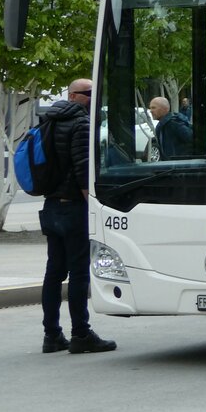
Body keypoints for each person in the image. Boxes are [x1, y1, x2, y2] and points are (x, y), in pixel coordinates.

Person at [39, 78, 117, 354]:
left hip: (51, 206)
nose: (93, 98)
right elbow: (83, 169)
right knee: (79, 272)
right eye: (88, 94)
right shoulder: (81, 124)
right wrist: (95, 207)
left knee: (53, 272)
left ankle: (51, 335)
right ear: (73, 95)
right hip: (73, 207)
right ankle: (81, 335)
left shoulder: (48, 120)